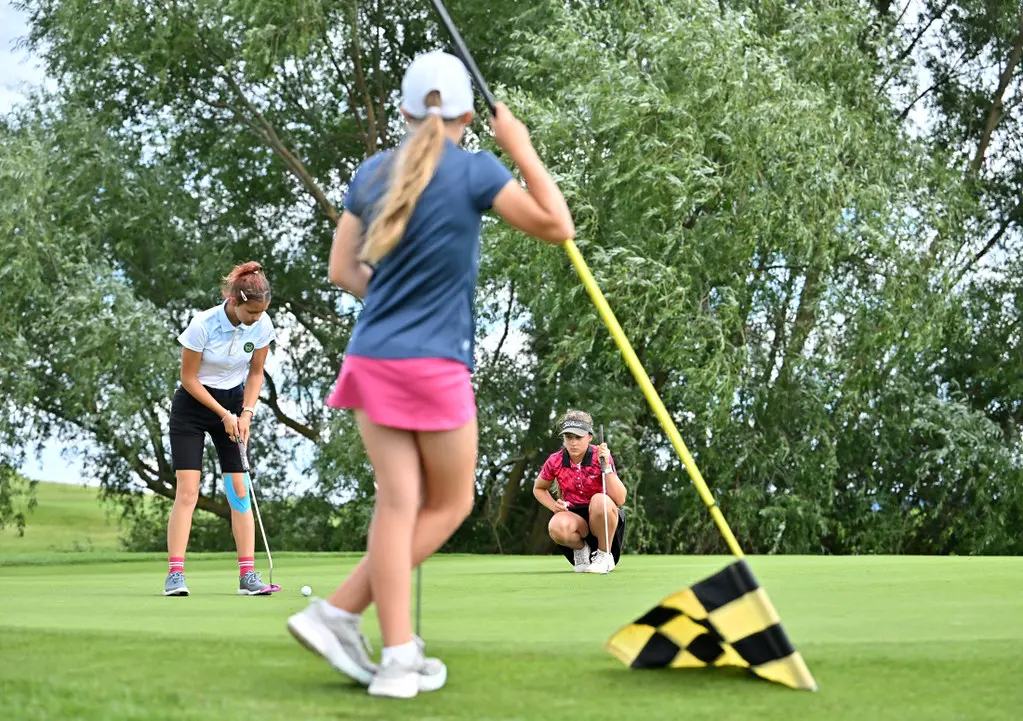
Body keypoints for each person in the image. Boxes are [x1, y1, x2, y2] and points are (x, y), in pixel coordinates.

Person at [285, 50, 575, 699]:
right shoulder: (476, 169)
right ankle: (341, 615)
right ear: (468, 116)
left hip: (370, 357)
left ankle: (392, 654)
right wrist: (519, 146)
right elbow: (559, 225)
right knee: (449, 503)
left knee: (397, 504)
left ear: (404, 112)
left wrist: (395, 306)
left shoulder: (370, 173)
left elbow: (342, 270)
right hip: (433, 363)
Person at [164, 261, 279, 597]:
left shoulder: (262, 325)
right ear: (233, 301)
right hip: (192, 407)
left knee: (239, 490)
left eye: (261, 313)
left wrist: (246, 413)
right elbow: (188, 378)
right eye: (251, 312)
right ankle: (175, 574)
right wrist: (223, 415)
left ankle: (248, 576)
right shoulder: (203, 325)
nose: (256, 319)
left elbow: (256, 373)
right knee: (188, 492)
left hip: (234, 403)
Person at [533, 410, 627, 574]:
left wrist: (606, 466)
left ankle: (604, 555)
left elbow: (620, 499)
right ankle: (582, 550)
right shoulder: (555, 460)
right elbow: (538, 488)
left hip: (603, 517)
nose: (573, 442)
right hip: (574, 518)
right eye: (569, 437)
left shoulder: (600, 456)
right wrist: (554, 506)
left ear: (589, 436)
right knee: (556, 525)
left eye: (578, 437)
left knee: (599, 500)